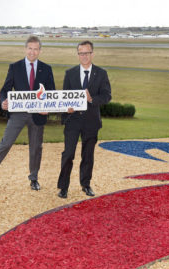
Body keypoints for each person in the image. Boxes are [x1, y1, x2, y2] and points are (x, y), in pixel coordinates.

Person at [0, 35, 55, 193]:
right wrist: (4, 101)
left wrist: (48, 107)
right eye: (30, 48)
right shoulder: (15, 67)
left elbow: (51, 92)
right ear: (25, 49)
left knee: (35, 148)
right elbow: (5, 90)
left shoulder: (46, 69)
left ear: (40, 51)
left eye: (36, 49)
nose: (32, 52)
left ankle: (34, 179)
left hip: (38, 115)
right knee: (5, 144)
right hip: (18, 113)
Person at [57, 40, 111, 198]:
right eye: (81, 53)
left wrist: (91, 99)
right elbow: (64, 96)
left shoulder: (101, 73)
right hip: (72, 120)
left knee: (88, 155)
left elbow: (107, 96)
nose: (84, 56)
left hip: (91, 122)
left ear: (92, 54)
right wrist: (66, 107)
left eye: (87, 53)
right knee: (68, 154)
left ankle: (85, 184)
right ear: (78, 54)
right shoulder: (70, 73)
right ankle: (63, 187)